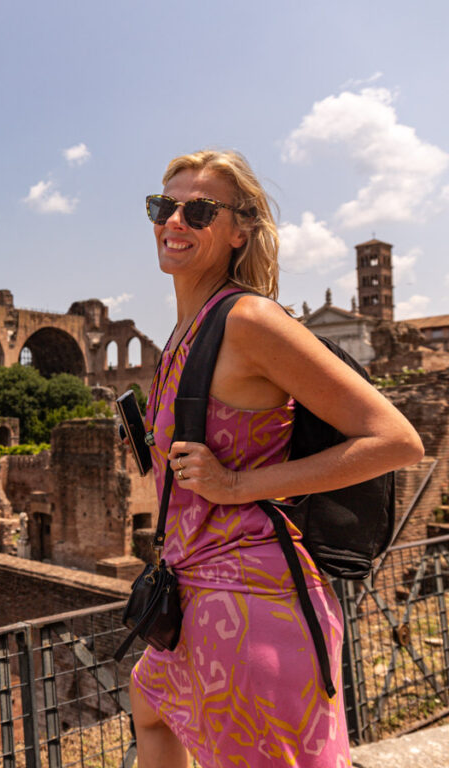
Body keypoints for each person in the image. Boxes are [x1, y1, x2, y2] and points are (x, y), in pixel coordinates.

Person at [129, 149, 424, 768]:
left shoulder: (251, 320)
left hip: (253, 602)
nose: (174, 221)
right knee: (149, 705)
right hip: (192, 591)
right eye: (164, 206)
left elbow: (395, 439)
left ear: (239, 230)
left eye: (199, 210)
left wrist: (238, 484)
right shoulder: (185, 331)